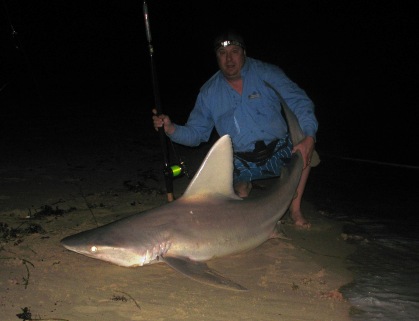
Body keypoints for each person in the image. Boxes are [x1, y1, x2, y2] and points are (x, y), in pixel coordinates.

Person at [153, 30, 318, 228]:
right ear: (216, 57)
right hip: (241, 159)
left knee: (305, 148)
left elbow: (300, 101)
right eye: (222, 53)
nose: (229, 59)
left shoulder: (267, 73)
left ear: (244, 53)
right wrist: (171, 129)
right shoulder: (209, 92)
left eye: (234, 51)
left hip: (278, 150)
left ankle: (295, 208)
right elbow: (197, 134)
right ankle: (243, 187)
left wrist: (309, 136)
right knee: (231, 193)